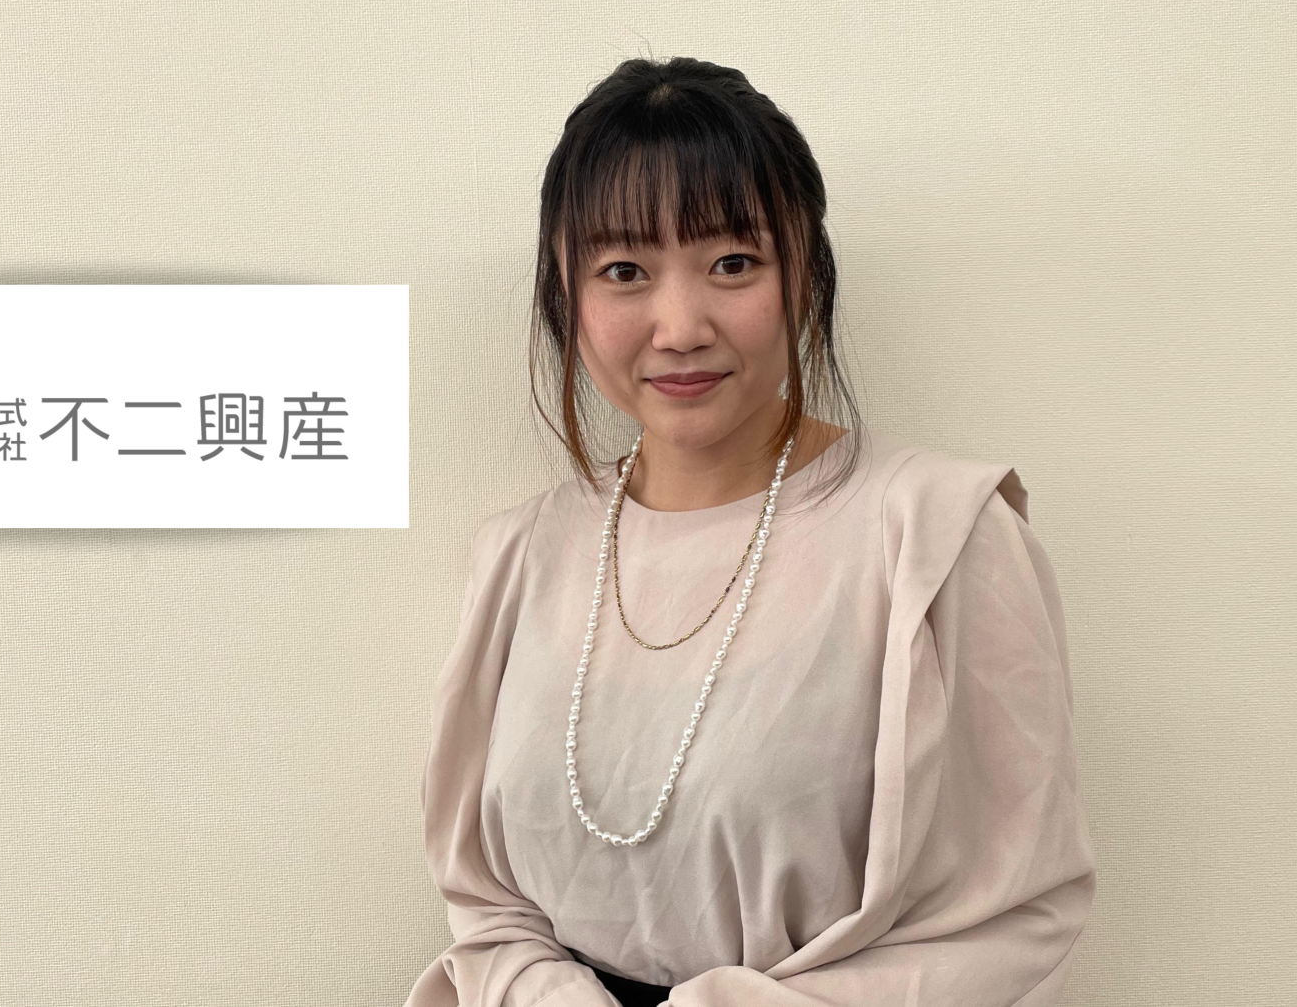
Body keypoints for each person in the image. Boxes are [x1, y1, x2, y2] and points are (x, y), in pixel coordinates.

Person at [403, 57, 1098, 1007]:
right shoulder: (522, 554)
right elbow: (485, 900)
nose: (680, 325)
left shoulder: (938, 536)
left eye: (732, 262)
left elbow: (1017, 916)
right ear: (567, 295)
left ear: (804, 273)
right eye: (624, 271)